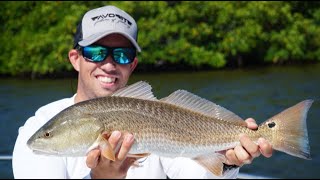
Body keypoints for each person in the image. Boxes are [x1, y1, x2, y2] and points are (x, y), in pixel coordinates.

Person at [12, 5, 273, 179]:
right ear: (75, 58)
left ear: (133, 64)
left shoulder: (159, 114)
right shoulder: (37, 128)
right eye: (96, 52)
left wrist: (228, 161)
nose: (109, 63)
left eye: (123, 54)